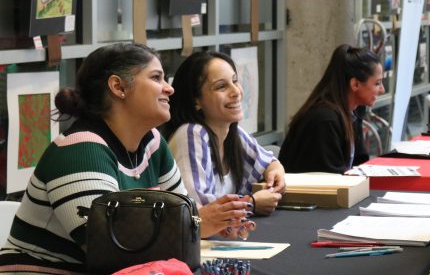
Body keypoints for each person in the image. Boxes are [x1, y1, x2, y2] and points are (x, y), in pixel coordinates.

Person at [0, 43, 248, 273]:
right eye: (156, 78)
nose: (170, 88)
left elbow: (179, 216)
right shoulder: (80, 149)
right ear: (118, 87)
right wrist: (196, 226)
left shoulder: (153, 142)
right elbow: (112, 250)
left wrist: (201, 223)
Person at [164, 51, 285, 216]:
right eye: (221, 86)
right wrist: (251, 204)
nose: (236, 92)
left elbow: (270, 162)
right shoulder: (191, 133)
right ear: (196, 101)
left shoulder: (230, 131)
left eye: (235, 81)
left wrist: (275, 174)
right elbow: (198, 215)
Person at [279, 44, 384, 174]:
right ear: (355, 84)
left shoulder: (354, 110)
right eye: (377, 83)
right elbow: (329, 180)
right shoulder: (325, 121)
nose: (382, 90)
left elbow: (358, 164)